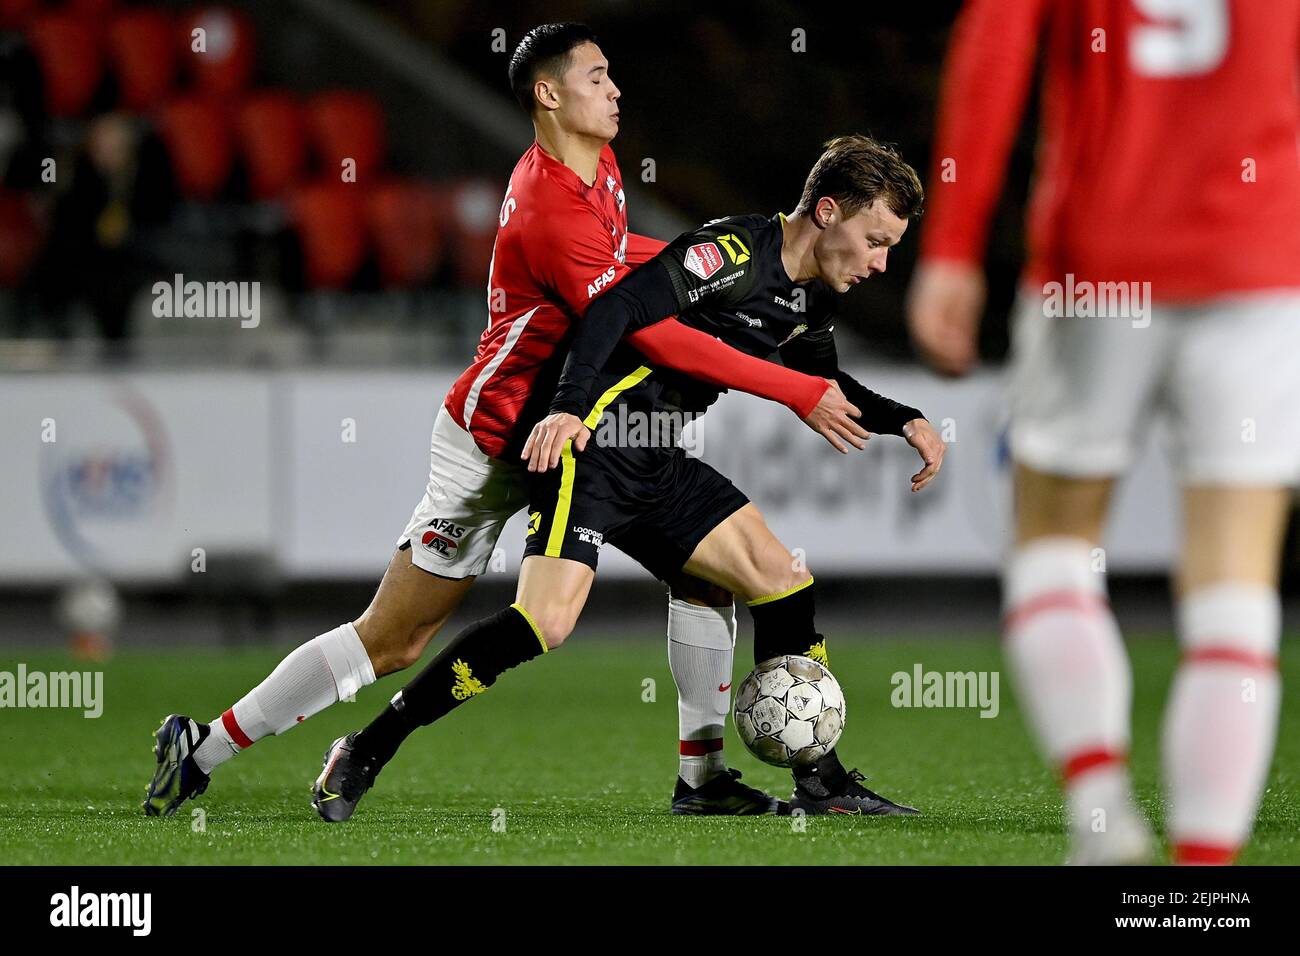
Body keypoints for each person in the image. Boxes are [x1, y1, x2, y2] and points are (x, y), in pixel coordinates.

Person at [143, 23, 863, 818]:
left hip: (569, 436)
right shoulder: (547, 207)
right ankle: (206, 745)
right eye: (596, 77)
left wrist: (715, 267)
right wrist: (788, 382)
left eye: (612, 73)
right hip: (492, 441)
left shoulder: (600, 165)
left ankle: (704, 779)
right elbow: (651, 331)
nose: (616, 89)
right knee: (391, 640)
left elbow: (627, 254)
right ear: (548, 96)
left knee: (705, 573)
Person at [311, 134, 944, 822]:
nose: (881, 263)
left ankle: (781, 782)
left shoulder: (811, 298)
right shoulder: (730, 256)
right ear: (827, 212)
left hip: (657, 459)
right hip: (595, 450)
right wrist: (570, 408)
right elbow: (613, 307)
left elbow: (820, 383)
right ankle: (365, 749)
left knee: (780, 579)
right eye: (876, 240)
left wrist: (905, 419)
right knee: (544, 623)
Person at [908, 0, 1300, 864]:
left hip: (1100, 261)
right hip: (1261, 265)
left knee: (1054, 543)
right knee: (1236, 585)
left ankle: (1102, 815)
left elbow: (995, 46)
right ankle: (1202, 883)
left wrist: (953, 244)